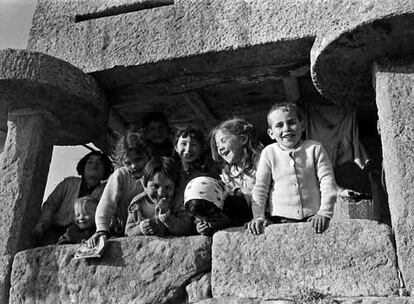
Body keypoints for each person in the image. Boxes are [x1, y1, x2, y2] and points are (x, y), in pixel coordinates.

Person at [248, 103, 337, 235]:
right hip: (279, 220)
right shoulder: (269, 152)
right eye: (279, 125)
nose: (287, 129)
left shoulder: (314, 148)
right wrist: (258, 216)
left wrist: (324, 213)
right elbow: (261, 187)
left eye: (291, 122)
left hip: (313, 219)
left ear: (302, 125)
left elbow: (327, 182)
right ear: (271, 133)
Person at [33, 150, 113, 245]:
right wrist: (43, 223)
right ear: (83, 167)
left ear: (105, 170)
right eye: (90, 162)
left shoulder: (106, 190)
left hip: (87, 235)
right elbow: (50, 205)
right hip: (56, 232)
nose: (94, 166)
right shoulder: (68, 184)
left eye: (99, 163)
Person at [87, 130, 150, 247]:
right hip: (121, 230)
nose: (134, 166)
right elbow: (106, 204)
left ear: (148, 155)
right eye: (128, 162)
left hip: (148, 227)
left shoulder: (155, 174)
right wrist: (101, 230)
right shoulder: (121, 175)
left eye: (138, 159)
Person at [210, 118, 263, 226]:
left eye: (223, 141)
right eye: (217, 145)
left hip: (263, 211)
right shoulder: (228, 173)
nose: (219, 148)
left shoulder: (261, 161)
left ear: (243, 139)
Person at [125, 156, 190, 236]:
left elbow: (186, 228)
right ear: (145, 185)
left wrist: (168, 219)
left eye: (167, 187)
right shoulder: (138, 203)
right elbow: (128, 230)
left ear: (175, 187)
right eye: (155, 186)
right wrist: (141, 228)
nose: (160, 193)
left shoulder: (178, 202)